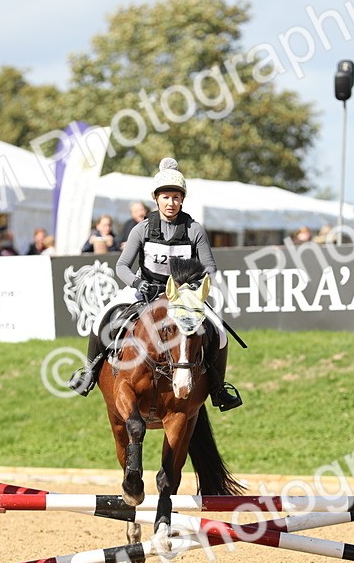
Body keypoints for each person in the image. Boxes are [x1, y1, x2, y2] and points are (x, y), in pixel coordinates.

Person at [67, 157, 242, 411]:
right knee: (101, 318)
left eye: (176, 197)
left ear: (182, 199)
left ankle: (217, 388)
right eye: (166, 197)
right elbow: (121, 267)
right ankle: (90, 373)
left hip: (182, 296)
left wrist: (193, 290)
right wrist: (138, 283)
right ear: (156, 199)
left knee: (220, 333)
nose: (171, 203)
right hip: (145, 289)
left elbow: (210, 268)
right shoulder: (142, 229)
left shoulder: (195, 230)